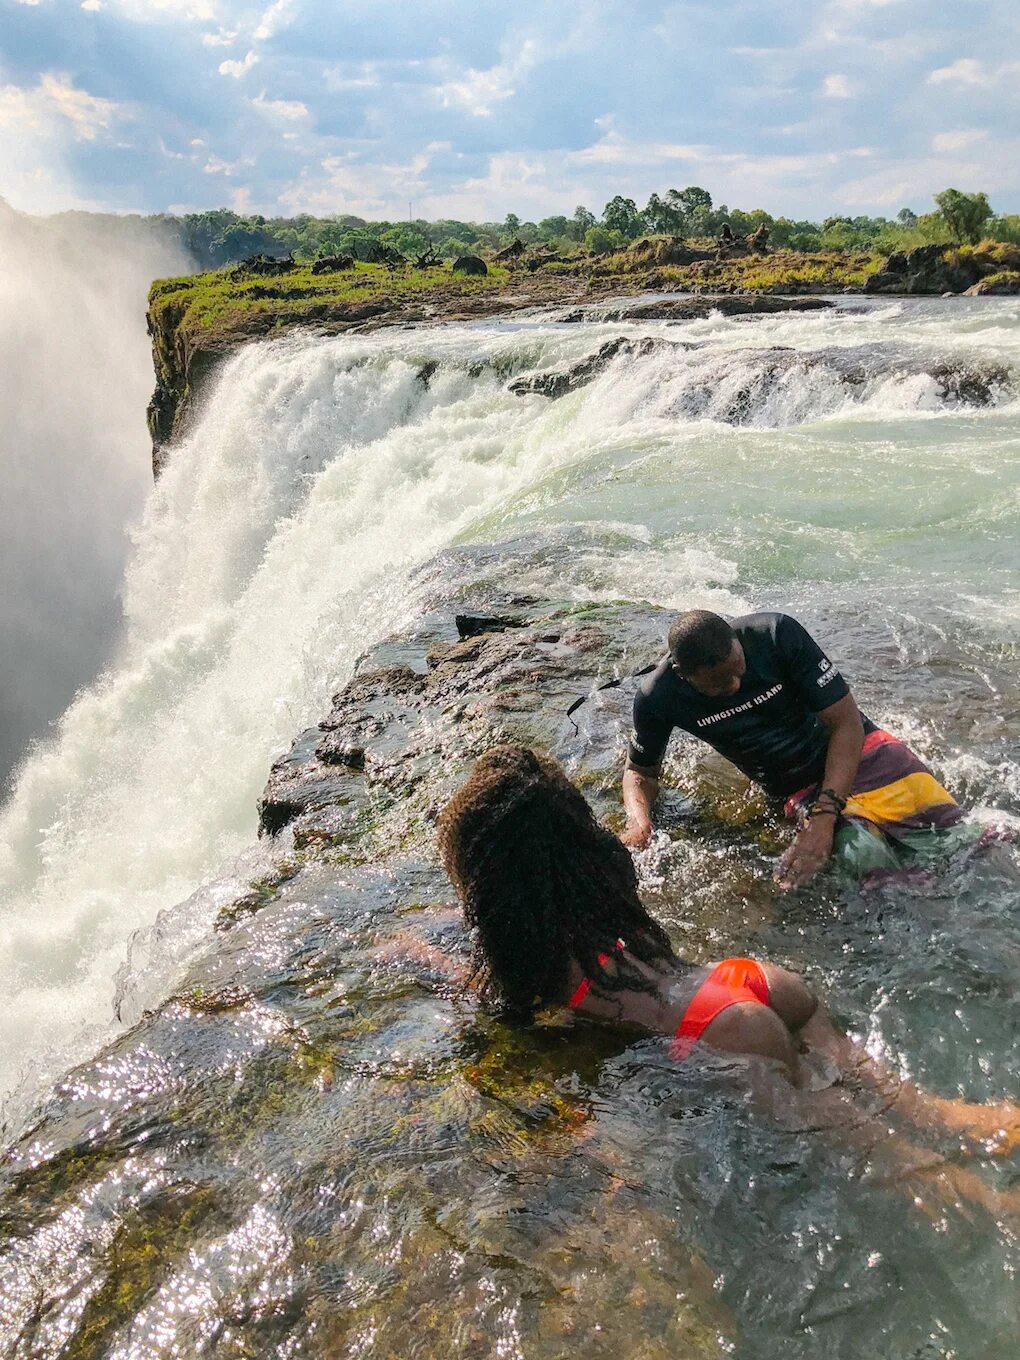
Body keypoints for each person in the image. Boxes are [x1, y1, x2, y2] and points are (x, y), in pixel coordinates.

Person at [436, 746, 1018, 1172]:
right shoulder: (601, 895)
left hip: (715, 1031)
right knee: (865, 1078)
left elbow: (486, 989)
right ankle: (959, 1118)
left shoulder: (524, 956)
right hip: (742, 980)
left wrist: (419, 955)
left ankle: (987, 1201)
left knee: (871, 1150)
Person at [621, 610, 967, 887]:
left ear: (735, 639)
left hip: (862, 751)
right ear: (684, 674)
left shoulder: (775, 634)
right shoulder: (659, 697)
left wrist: (823, 817)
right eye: (720, 684)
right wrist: (639, 823)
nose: (735, 684)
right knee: (862, 859)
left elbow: (846, 724)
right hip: (796, 784)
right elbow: (640, 771)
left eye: (738, 670)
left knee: (963, 840)